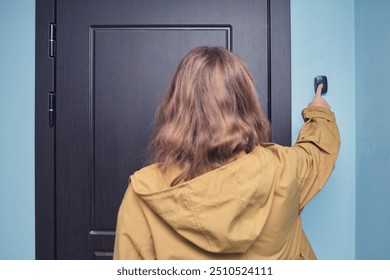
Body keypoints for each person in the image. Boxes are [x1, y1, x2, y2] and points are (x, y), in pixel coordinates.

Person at [113, 46, 340, 260]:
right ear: (246, 104)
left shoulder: (143, 193)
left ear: (175, 108)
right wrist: (319, 112)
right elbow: (317, 151)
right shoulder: (284, 169)